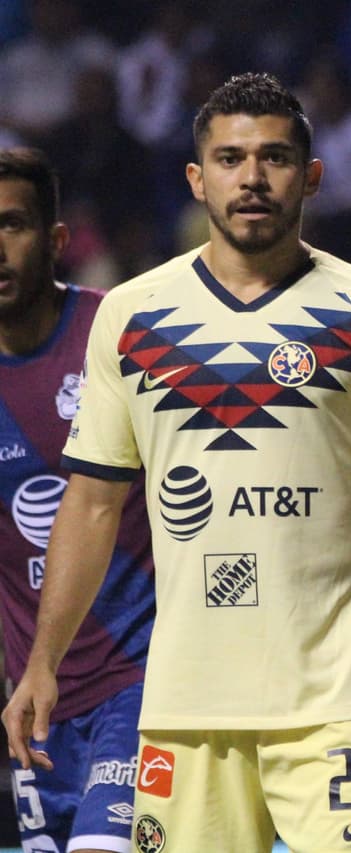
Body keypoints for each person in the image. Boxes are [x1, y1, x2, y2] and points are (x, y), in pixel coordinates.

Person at [1, 73, 351, 852]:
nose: (252, 178)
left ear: (310, 176)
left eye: (274, 158)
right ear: (196, 178)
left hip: (336, 702)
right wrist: (43, 664)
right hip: (181, 707)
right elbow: (91, 504)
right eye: (231, 158)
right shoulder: (133, 317)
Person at [0, 147, 153, 853]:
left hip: (141, 675)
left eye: (13, 225)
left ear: (57, 240)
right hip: (36, 700)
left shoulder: (115, 336)